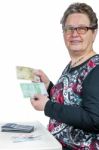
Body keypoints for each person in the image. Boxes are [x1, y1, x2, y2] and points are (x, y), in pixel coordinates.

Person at [30, 2, 99, 150]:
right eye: (69, 29)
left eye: (82, 28)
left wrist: (47, 106)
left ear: (94, 33)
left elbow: (94, 119)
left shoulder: (96, 69)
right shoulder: (74, 64)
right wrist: (48, 86)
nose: (74, 34)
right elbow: (71, 101)